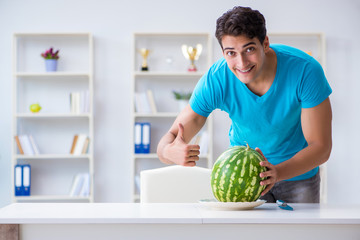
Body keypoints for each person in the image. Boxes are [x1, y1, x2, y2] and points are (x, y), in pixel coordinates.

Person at [156, 6, 332, 203]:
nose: (241, 63)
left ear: (265, 43)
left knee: (299, 235)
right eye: (231, 53)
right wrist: (168, 152)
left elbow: (321, 147)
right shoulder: (217, 79)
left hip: (297, 177)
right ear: (223, 52)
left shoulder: (305, 71)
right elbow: (169, 140)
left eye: (249, 49)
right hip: (242, 178)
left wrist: (277, 173)